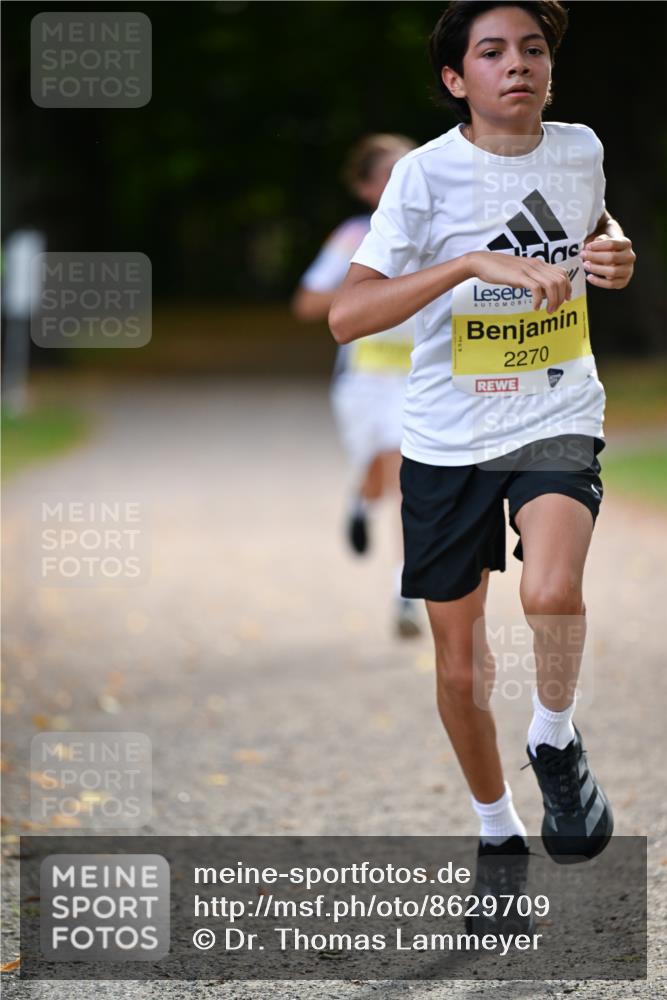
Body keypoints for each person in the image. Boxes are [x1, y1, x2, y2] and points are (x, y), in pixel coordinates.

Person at [329, 0, 636, 911]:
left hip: (554, 408)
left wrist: (612, 252)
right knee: (461, 669)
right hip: (446, 437)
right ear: (456, 81)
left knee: (550, 592)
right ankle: (496, 832)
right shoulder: (422, 178)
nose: (518, 65)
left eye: (532, 49)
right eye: (492, 52)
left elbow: (596, 225)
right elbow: (348, 315)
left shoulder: (578, 148)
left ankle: (553, 736)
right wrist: (468, 264)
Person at [292, 134, 423, 638]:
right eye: (390, 173)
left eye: (410, 169)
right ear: (367, 188)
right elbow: (305, 304)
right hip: (363, 382)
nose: (403, 181)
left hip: (421, 379)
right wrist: (370, 296)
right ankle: (359, 501)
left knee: (408, 478)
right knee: (378, 475)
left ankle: (406, 595)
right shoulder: (353, 237)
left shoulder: (443, 229)